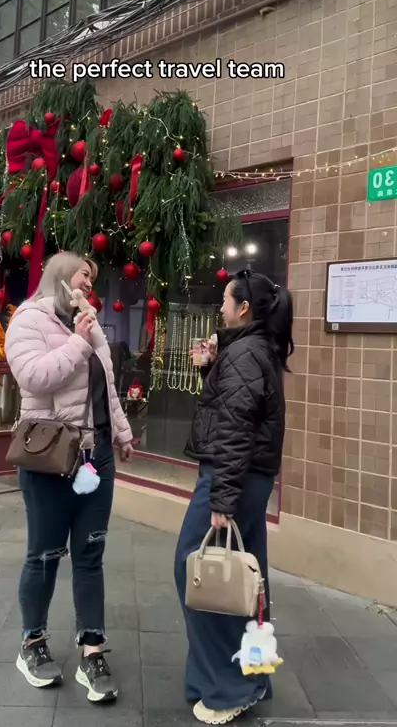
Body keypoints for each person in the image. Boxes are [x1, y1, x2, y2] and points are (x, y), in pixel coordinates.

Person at [5, 252, 135, 702]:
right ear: (61, 277)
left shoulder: (88, 322)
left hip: (95, 456)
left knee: (90, 552)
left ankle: (92, 649)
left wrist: (121, 432)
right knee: (44, 554)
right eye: (84, 276)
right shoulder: (28, 320)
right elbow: (33, 377)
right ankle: (32, 643)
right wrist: (78, 342)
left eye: (93, 279)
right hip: (50, 456)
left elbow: (106, 387)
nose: (89, 285)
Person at [175, 269, 293, 725]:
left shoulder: (245, 353)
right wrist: (211, 369)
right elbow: (236, 409)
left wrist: (222, 498)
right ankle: (251, 673)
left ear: (243, 308)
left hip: (232, 478)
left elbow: (236, 429)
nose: (220, 306)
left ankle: (228, 688)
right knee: (248, 580)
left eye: (226, 299)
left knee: (201, 571)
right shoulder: (252, 349)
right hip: (248, 478)